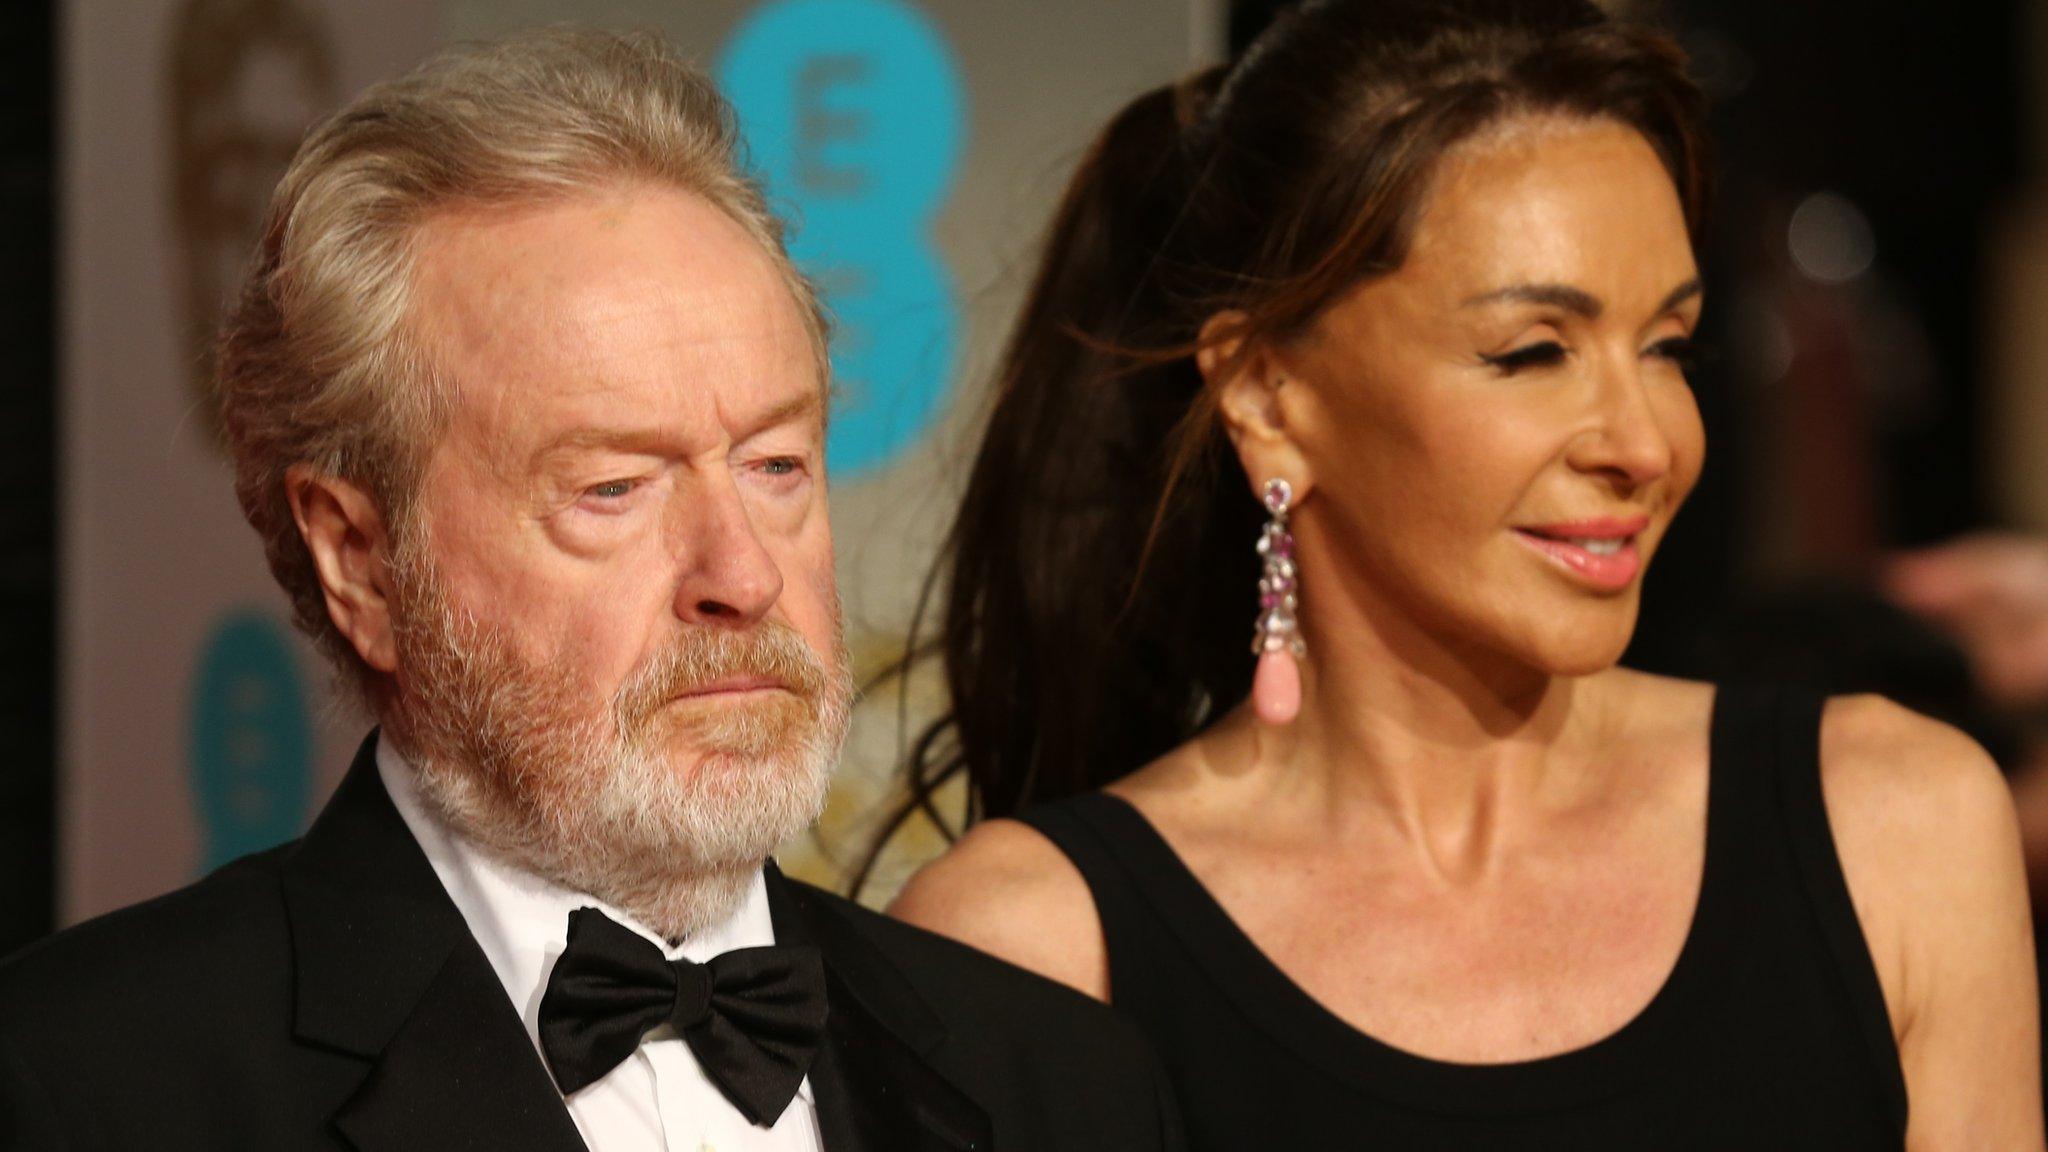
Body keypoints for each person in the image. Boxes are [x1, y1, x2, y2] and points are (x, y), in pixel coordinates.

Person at [886, 0, 2044, 1146]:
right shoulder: (1031, 948)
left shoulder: (1892, 824)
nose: (1643, 445)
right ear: (1265, 393)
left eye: (1666, 348)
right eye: (1531, 353)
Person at [0, 30, 1181, 1152]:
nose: (743, 575)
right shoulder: (90, 1082)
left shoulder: (1062, 1084)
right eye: (614, 488)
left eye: (777, 466)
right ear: (360, 560)